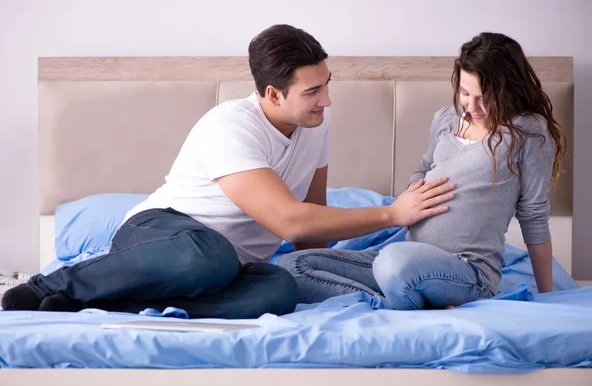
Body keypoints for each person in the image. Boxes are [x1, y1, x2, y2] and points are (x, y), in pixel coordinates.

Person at [2, 24, 454, 318]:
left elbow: (308, 227)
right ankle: (50, 285)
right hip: (161, 235)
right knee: (208, 255)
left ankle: (103, 301)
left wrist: (364, 263)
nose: (327, 100)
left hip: (228, 266)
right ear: (273, 94)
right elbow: (287, 219)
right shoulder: (230, 126)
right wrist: (392, 214)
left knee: (279, 288)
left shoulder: (317, 123)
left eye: (327, 84)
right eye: (313, 91)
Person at [279, 32, 566, 310]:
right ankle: (402, 299)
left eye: (485, 96)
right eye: (465, 92)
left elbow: (534, 214)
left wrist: (548, 296)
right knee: (294, 265)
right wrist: (412, 193)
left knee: (395, 263)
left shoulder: (529, 133)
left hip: (466, 272)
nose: (473, 106)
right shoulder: (445, 120)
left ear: (508, 90)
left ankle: (405, 295)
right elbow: (423, 168)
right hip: (404, 258)